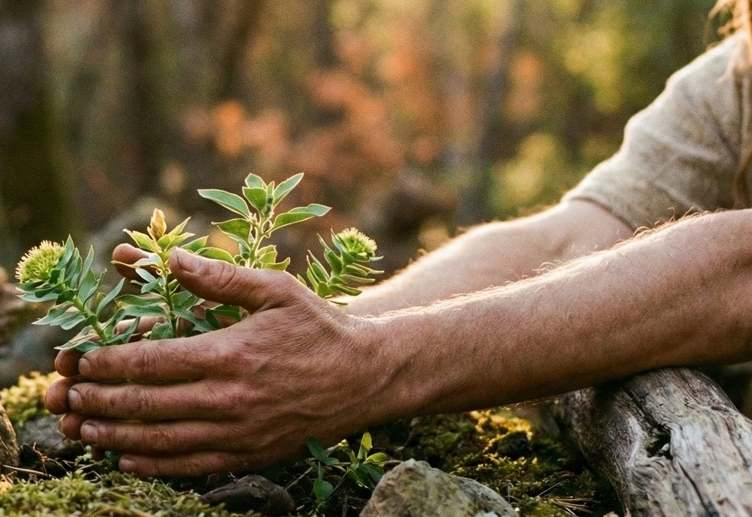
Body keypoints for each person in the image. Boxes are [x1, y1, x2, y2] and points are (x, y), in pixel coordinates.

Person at [43, 1, 752, 477]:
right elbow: (577, 233)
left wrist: (369, 369)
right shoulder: (733, 78)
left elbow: (733, 274)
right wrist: (314, 340)